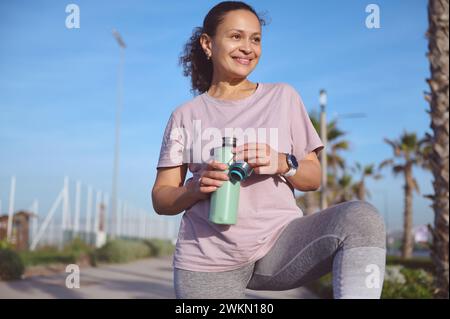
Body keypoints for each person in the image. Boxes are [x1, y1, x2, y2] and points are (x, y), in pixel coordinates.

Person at [152, 1, 386, 299]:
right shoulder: (184, 115)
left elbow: (313, 177)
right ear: (207, 44)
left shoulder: (283, 97)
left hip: (280, 244)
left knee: (361, 218)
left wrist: (283, 163)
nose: (248, 47)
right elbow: (161, 196)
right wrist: (196, 188)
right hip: (207, 258)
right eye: (236, 36)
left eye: (256, 39)